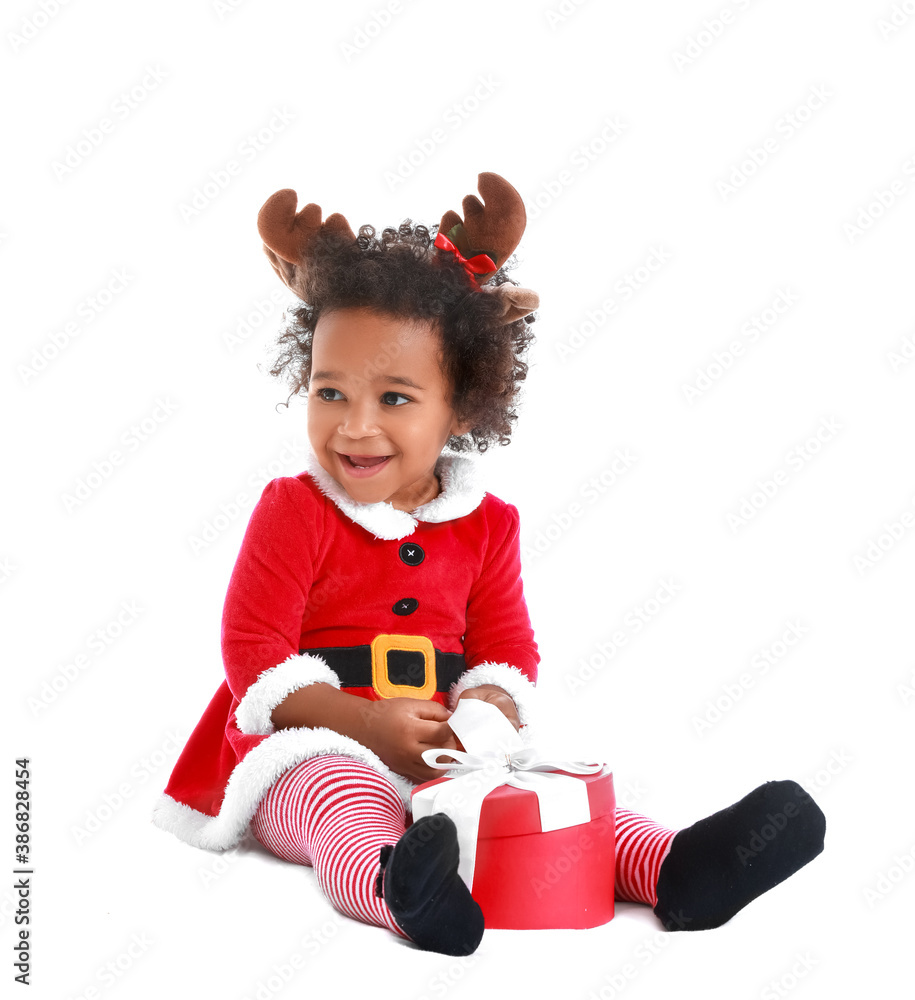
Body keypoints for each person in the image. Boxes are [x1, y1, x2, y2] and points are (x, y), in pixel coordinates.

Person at [153, 173, 825, 957]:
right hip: (308, 741)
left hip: (445, 741)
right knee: (344, 800)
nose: (354, 426)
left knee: (546, 800)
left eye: (395, 399)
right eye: (329, 392)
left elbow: (506, 649)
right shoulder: (294, 508)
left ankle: (674, 867)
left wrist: (483, 717)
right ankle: (396, 888)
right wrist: (366, 723)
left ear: (462, 407)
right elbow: (254, 658)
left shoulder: (487, 525)